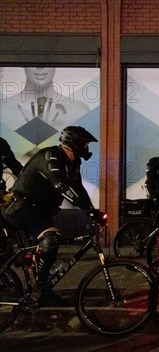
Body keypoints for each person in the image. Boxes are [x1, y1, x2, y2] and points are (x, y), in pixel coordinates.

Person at [0, 126, 99, 305]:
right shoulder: (51, 157)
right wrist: (87, 209)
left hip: (39, 211)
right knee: (50, 238)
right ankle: (39, 291)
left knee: (45, 248)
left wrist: (92, 211)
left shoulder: (73, 163)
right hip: (22, 208)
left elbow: (78, 189)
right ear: (74, 143)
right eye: (85, 144)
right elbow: (60, 185)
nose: (87, 148)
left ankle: (42, 289)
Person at [3, 67, 90, 130]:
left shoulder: (78, 110)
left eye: (48, 58)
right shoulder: (4, 109)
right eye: (33, 59)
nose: (40, 67)